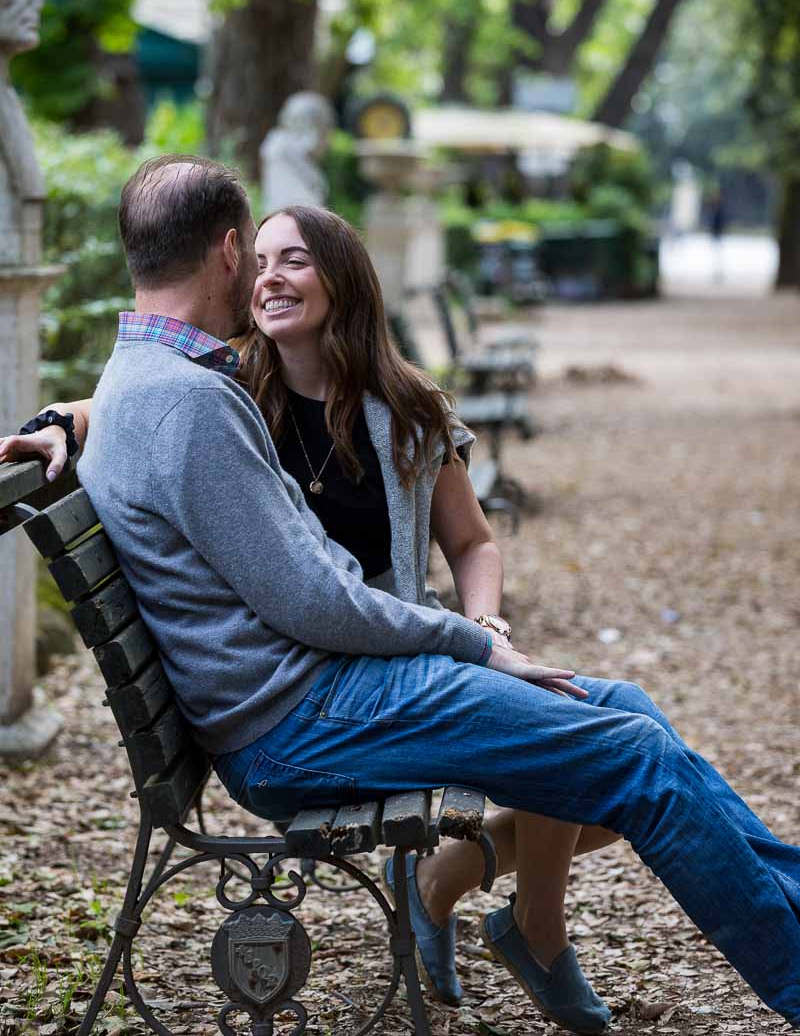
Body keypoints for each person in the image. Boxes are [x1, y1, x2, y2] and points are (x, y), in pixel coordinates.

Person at [4, 155, 800, 1034]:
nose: (268, 275)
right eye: (258, 255)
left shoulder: (147, 377)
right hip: (302, 715)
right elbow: (316, 602)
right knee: (637, 758)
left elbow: (438, 549)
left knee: (629, 715)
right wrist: (472, 641)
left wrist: (58, 418)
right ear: (229, 252)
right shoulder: (193, 399)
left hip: (315, 693)